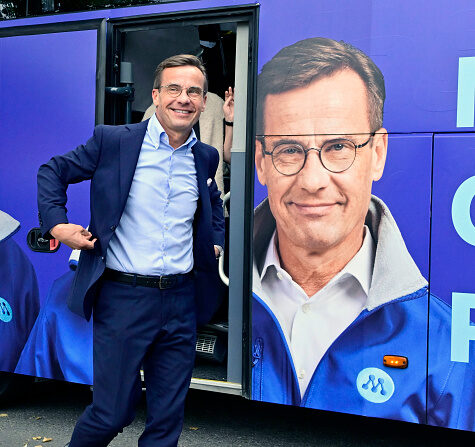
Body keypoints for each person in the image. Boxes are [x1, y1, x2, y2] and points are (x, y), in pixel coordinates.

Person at [251, 37, 475, 429]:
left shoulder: (445, 347)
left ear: (378, 154)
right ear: (260, 163)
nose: (313, 180)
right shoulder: (212, 294)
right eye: (288, 149)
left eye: (338, 146)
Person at [37, 54, 225, 447]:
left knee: (166, 422)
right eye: (173, 88)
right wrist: (57, 224)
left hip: (180, 300)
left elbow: (212, 202)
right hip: (123, 298)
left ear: (204, 102)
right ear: (156, 95)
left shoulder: (202, 156)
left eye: (194, 91)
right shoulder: (115, 141)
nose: (183, 98)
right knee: (112, 413)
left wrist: (216, 241)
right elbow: (53, 170)